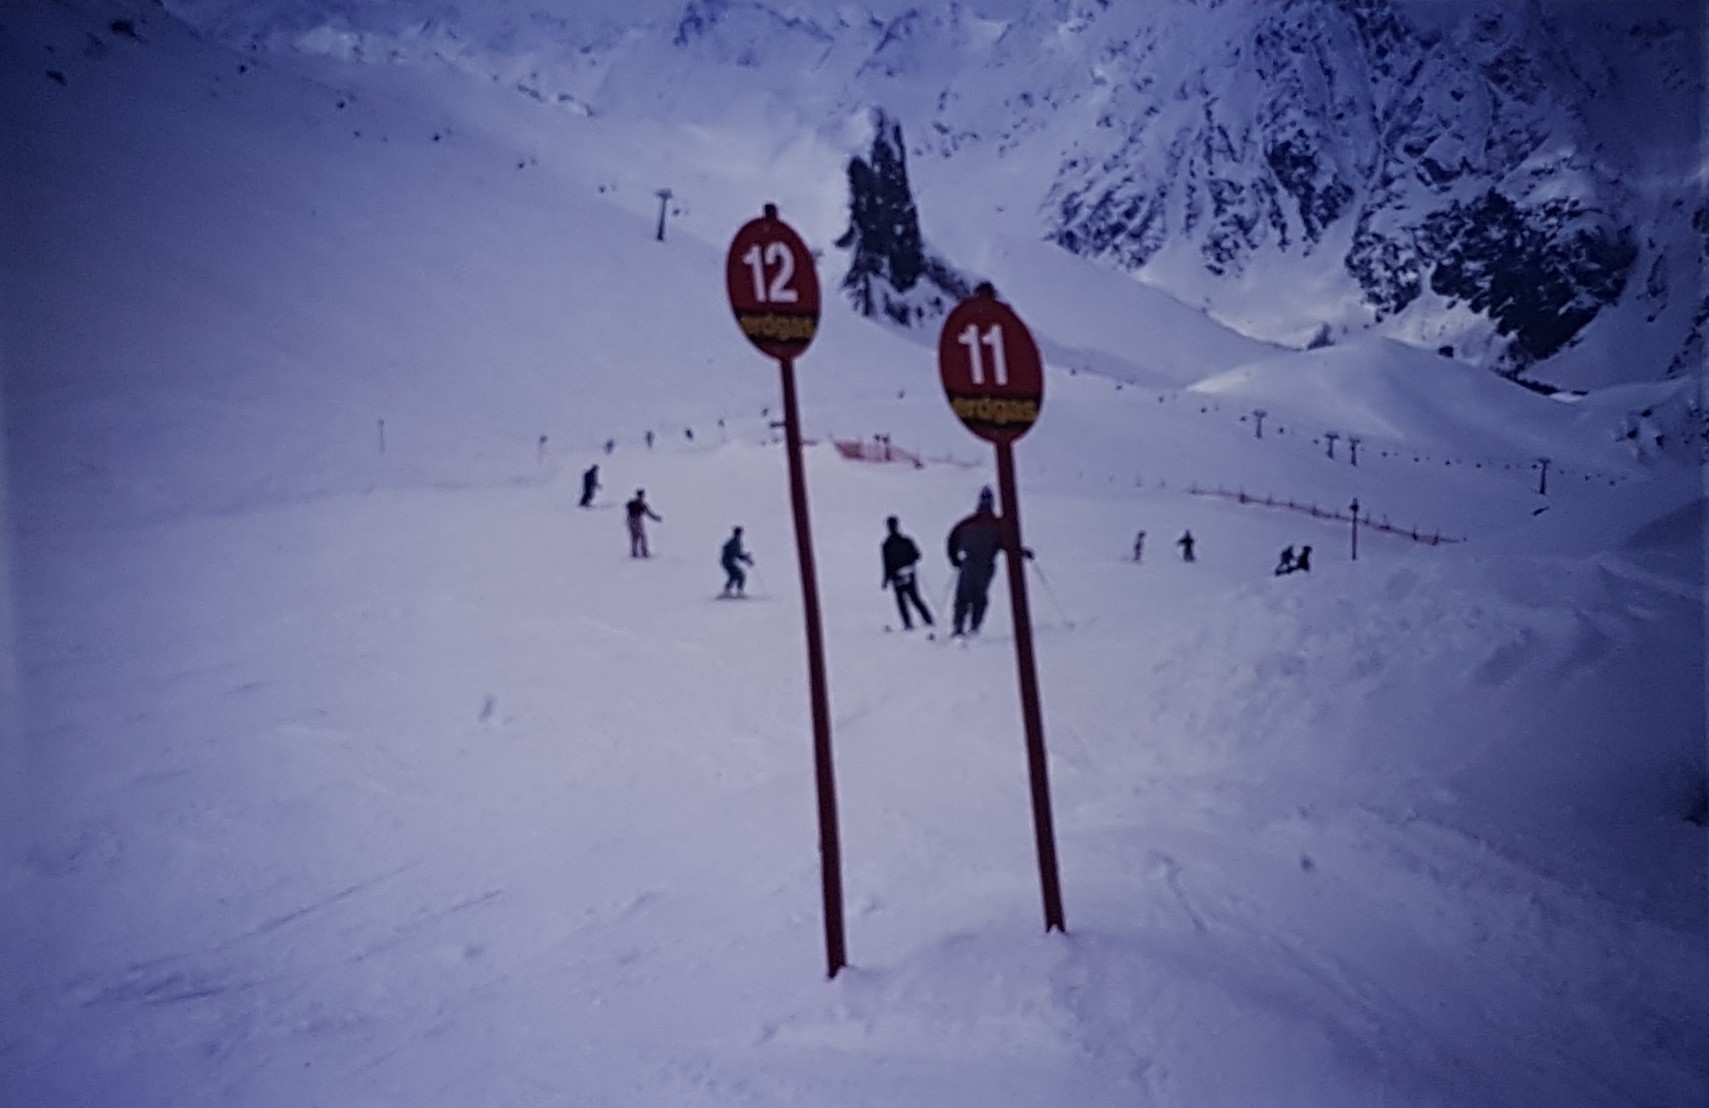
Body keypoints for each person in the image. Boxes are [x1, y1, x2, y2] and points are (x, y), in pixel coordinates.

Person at [946, 486, 1030, 637]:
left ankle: (959, 628)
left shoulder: (967, 523)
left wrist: (955, 560)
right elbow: (1008, 545)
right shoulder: (998, 525)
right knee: (979, 597)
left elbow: (952, 540)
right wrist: (1022, 552)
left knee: (963, 598)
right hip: (985, 567)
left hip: (969, 565)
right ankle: (974, 627)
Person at [881, 515, 934, 631]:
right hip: (909, 573)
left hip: (896, 576)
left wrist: (885, 580)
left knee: (901, 601)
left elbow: (886, 564)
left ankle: (908, 623)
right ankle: (928, 619)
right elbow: (918, 555)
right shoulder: (907, 541)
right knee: (915, 598)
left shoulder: (886, 545)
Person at [625, 488, 661, 558]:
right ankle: (644, 553)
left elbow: (627, 509)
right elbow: (650, 514)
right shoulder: (642, 505)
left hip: (630, 521)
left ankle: (634, 553)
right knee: (642, 536)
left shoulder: (631, 503)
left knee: (634, 537)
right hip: (637, 521)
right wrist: (657, 518)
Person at [720, 526, 753, 596]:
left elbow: (737, 554)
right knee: (740, 575)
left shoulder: (735, 541)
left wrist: (746, 558)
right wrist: (746, 558)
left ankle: (727, 591)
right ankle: (739, 591)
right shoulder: (735, 542)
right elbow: (737, 554)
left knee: (733, 576)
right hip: (728, 562)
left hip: (726, 562)